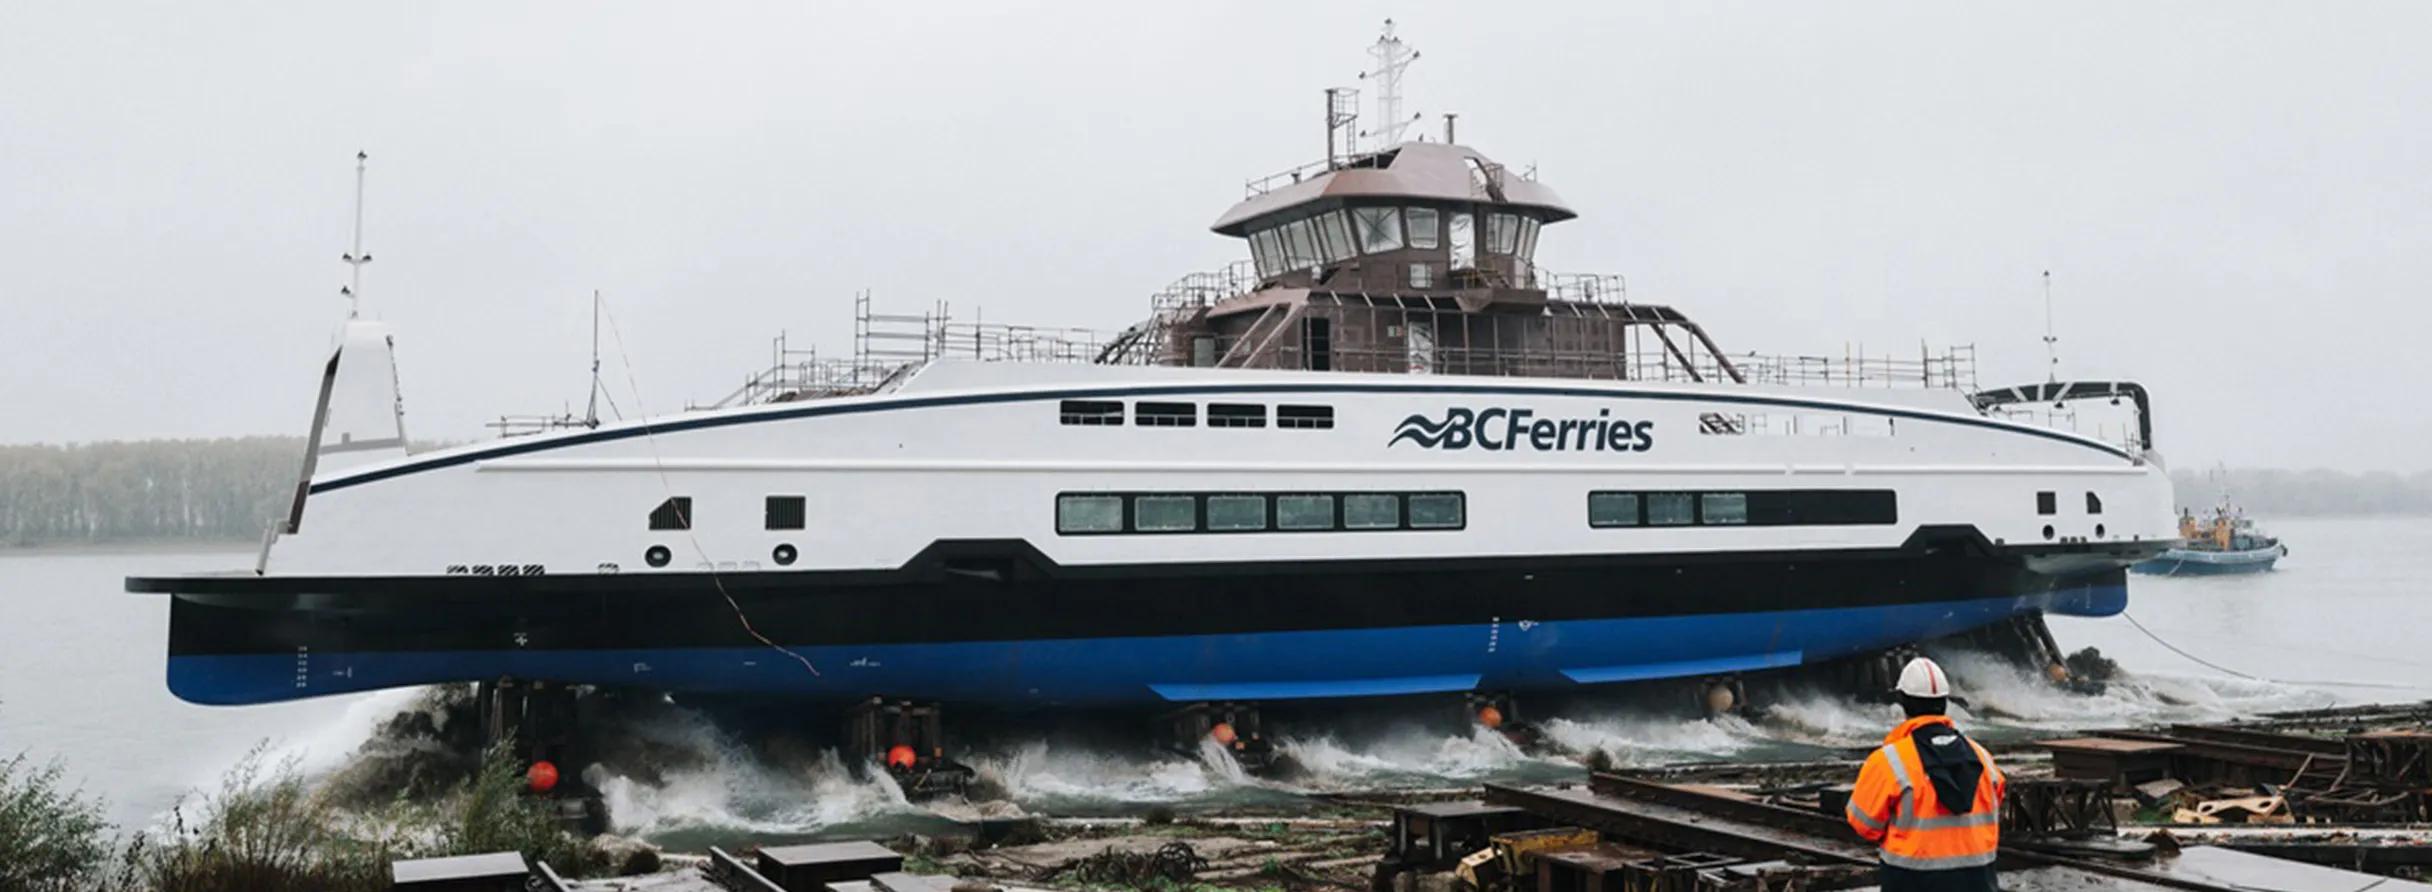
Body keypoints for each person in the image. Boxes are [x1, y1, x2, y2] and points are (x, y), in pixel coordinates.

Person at [1844, 657, 2005, 891]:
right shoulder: (1982, 757)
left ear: (1903, 702)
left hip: (1911, 881)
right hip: (1978, 881)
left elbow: (1863, 825)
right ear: (1945, 702)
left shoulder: (1888, 761)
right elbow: (1994, 803)